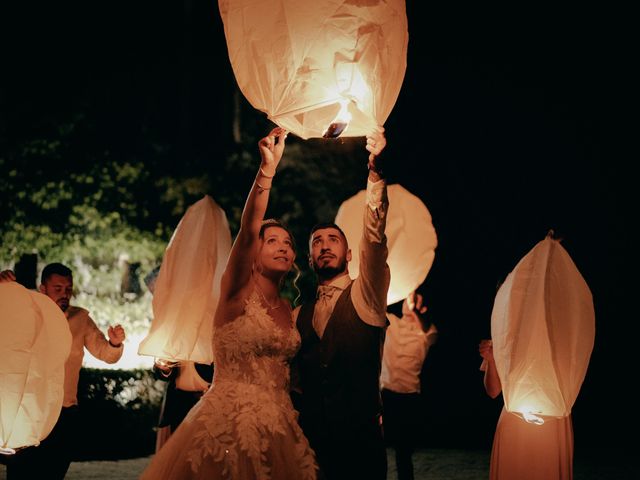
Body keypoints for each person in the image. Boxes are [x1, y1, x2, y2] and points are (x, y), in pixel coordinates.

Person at [140, 127, 317, 479]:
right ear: (253, 254)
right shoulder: (236, 292)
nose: (283, 246)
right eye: (272, 241)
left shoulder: (288, 308)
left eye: (288, 243)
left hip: (282, 426)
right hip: (228, 425)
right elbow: (250, 226)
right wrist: (266, 172)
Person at [292, 126, 390, 480]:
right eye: (317, 241)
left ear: (349, 254)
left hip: (359, 445)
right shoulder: (296, 315)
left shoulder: (366, 296)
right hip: (310, 446)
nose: (325, 245)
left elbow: (375, 241)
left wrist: (376, 175)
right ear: (309, 256)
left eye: (333, 239)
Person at [0, 262, 126, 480]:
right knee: (21, 473)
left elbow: (106, 354)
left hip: (65, 412)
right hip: (29, 412)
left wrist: (114, 343)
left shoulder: (80, 319)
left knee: (54, 472)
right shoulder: (27, 314)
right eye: (57, 289)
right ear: (42, 289)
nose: (64, 294)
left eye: (68, 289)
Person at [479, 339, 574, 480]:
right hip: (514, 419)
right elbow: (493, 391)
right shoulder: (507, 332)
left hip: (552, 418)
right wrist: (491, 360)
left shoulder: (563, 330)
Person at [143, 267, 215, 452]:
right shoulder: (165, 321)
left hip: (209, 397)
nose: (157, 300)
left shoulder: (206, 309)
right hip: (179, 401)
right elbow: (162, 372)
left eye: (158, 292)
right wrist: (163, 366)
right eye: (153, 294)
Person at [380, 291, 438, 480]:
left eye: (416, 298)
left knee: (403, 451)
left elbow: (429, 331)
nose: (411, 300)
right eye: (409, 298)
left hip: (409, 396)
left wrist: (416, 311)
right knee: (378, 448)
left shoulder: (426, 333)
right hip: (385, 395)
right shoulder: (391, 324)